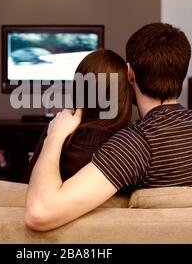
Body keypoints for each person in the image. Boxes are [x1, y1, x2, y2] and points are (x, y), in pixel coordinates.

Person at [25, 23, 192, 232]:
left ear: (129, 74)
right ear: (181, 75)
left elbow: (40, 213)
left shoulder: (138, 142)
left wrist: (55, 135)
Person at [23, 49, 133, 184]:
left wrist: (53, 136)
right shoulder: (131, 148)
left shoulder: (56, 133)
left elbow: (27, 187)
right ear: (125, 96)